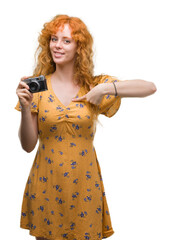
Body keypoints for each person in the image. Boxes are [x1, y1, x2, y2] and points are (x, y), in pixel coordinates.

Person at [15, 14, 157, 240]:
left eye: (66, 40)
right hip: (46, 183)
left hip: (84, 185)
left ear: (78, 47)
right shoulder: (38, 86)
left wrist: (106, 89)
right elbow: (28, 145)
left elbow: (149, 88)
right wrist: (25, 107)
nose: (57, 46)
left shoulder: (94, 85)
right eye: (54, 39)